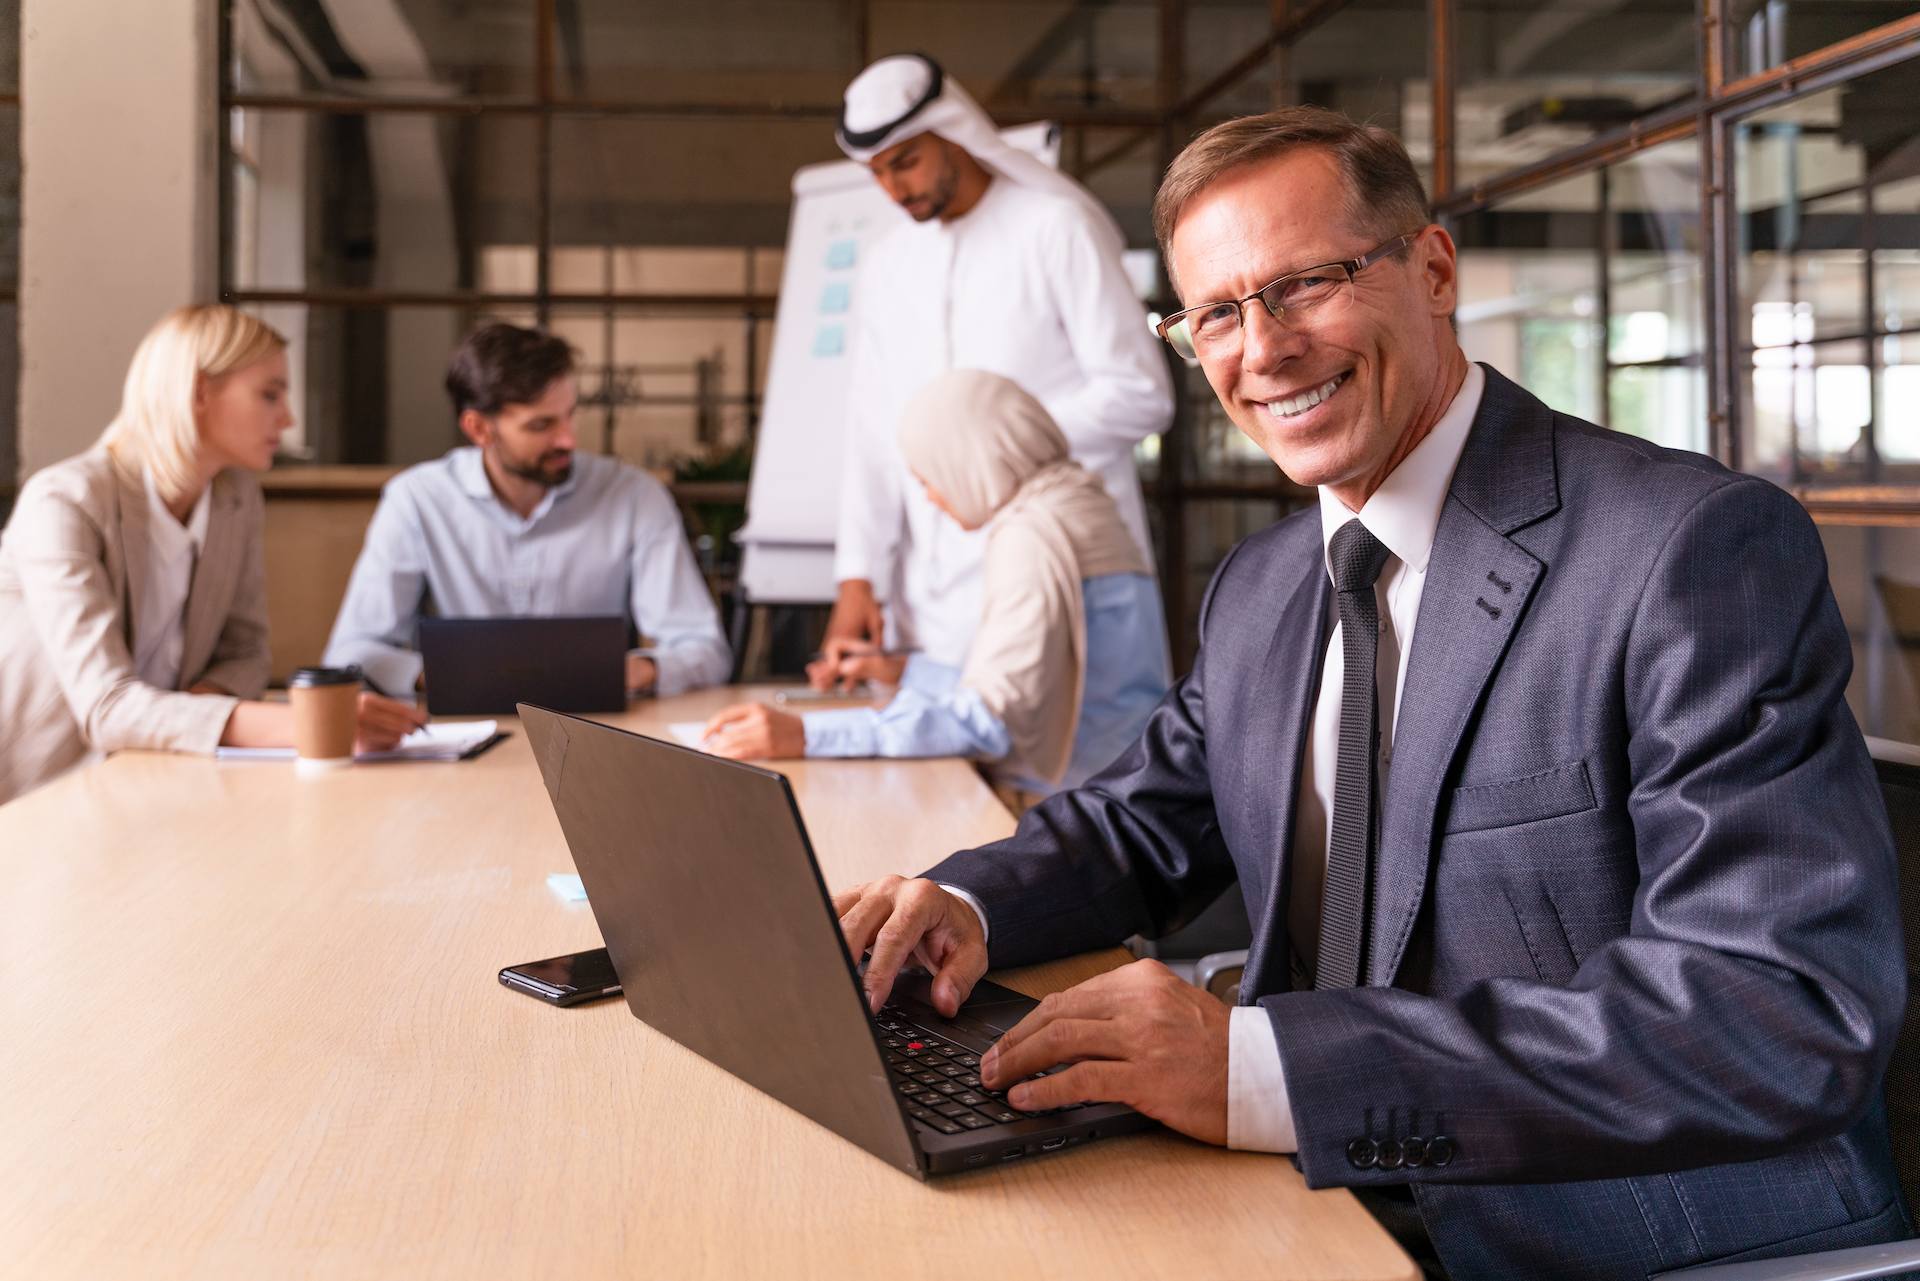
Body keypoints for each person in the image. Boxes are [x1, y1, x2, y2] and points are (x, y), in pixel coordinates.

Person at [829, 107, 1911, 1278]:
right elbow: (1142, 819)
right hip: (1316, 1201)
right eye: (1218, 315)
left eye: (1306, 284)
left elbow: (1775, 1009)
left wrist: (1264, 1071)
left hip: (1624, 1236)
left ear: (1433, 270)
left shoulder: (1685, 552)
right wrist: (955, 903)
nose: (1264, 349)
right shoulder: (1266, 581)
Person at [825, 53, 1174, 672]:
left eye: (905, 162)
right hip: (930, 605)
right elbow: (871, 431)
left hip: (1064, 572)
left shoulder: (1054, 228)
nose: (893, 188)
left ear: (954, 133)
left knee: (1081, 762)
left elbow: (1141, 392)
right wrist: (858, 575)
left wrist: (988, 451)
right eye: (877, 172)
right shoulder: (886, 266)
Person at [0, 304, 424, 806]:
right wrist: (308, 723)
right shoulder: (66, 501)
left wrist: (184, 715)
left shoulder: (235, 498)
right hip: (45, 797)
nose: (287, 419)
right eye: (270, 394)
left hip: (160, 781)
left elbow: (246, 655)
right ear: (199, 392)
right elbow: (107, 707)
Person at [700, 371, 1169, 805]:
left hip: (1072, 809)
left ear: (969, 460)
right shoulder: (1080, 506)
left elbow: (988, 723)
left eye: (929, 477)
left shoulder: (1033, 537)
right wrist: (903, 671)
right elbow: (1047, 693)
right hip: (1119, 792)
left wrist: (806, 735)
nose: (930, 496)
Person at [323, 323, 731, 700]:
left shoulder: (635, 496)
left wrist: (640, 671)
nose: (568, 440)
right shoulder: (416, 500)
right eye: (542, 426)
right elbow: (351, 653)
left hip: (595, 736)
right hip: (461, 740)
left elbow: (705, 649)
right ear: (479, 429)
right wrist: (450, 675)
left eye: (570, 415)